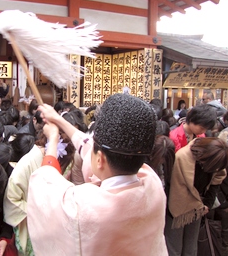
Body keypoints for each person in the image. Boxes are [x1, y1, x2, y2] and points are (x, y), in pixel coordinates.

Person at [27, 94, 168, 255]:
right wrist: (59, 120)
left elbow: (46, 185)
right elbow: (87, 146)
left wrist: (53, 139)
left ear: (100, 159)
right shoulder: (152, 184)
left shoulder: (82, 211)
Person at [4, 128, 74, 256]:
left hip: (58, 222)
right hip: (32, 222)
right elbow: (12, 199)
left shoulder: (68, 159)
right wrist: (38, 211)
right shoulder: (28, 162)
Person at [165, 137, 228, 255]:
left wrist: (207, 204)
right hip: (177, 208)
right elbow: (177, 189)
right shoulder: (183, 158)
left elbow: (216, 180)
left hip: (199, 207)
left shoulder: (215, 160)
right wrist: (201, 205)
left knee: (191, 247)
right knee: (174, 248)